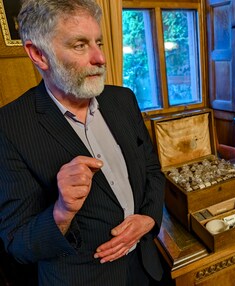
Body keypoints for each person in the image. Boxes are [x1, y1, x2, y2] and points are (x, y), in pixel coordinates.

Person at [0, 0, 165, 285]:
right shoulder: (10, 127)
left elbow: (152, 169)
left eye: (98, 42)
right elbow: (18, 243)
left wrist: (149, 219)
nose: (100, 57)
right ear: (39, 54)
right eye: (80, 45)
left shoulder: (123, 100)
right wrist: (62, 210)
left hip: (145, 266)